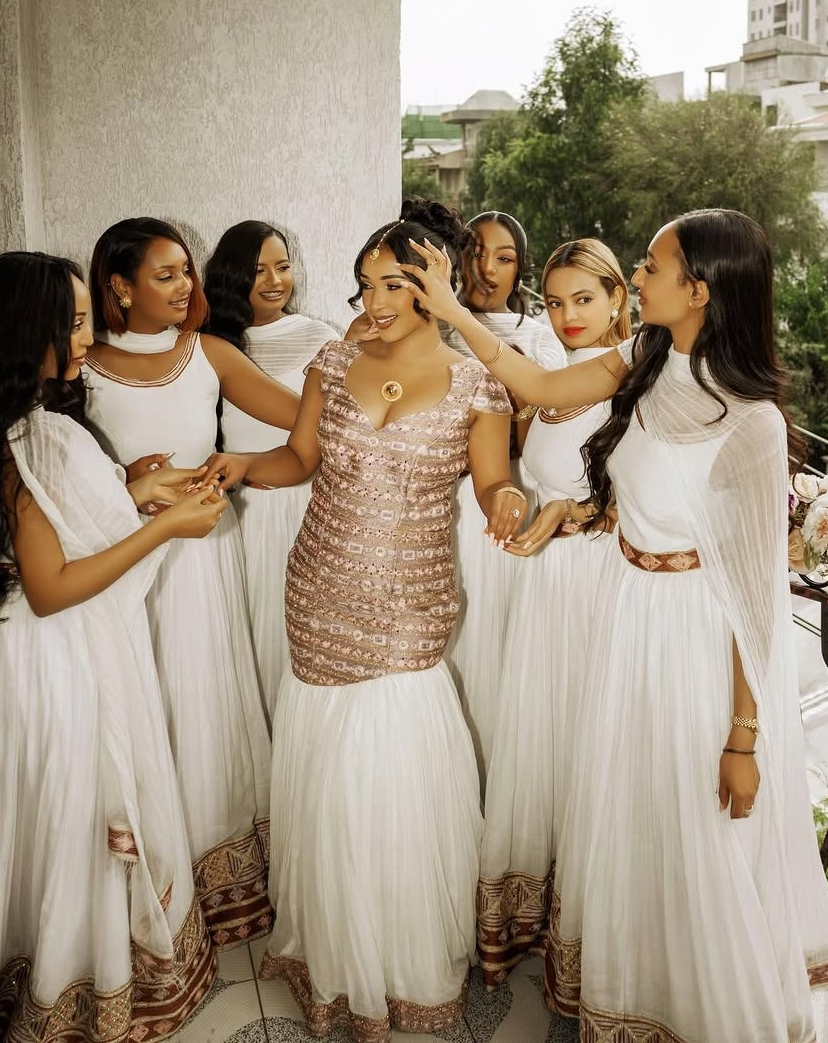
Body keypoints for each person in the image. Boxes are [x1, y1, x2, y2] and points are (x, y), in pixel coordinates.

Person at [401, 210, 828, 1042]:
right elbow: (538, 390)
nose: (635, 278)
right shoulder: (646, 359)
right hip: (626, 619)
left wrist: (743, 737)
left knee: (690, 832)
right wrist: (580, 511)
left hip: (692, 644)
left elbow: (754, 600)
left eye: (650, 266)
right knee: (630, 818)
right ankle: (636, 995)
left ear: (700, 290)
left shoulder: (751, 423)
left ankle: (704, 1011)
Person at [199, 200, 520, 1042]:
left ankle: (404, 962)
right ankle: (334, 955)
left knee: (399, 773)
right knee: (329, 773)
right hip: (319, 588)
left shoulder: (478, 381)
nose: (373, 302)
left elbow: (490, 483)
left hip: (411, 601)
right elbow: (299, 458)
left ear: (434, 286)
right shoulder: (331, 361)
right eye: (366, 284)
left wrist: (510, 498)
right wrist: (240, 467)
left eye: (395, 285)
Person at [0, 252, 223, 1035]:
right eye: (73, 323)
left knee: (30, 823)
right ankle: (70, 991)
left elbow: (38, 536)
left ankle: (28, 981)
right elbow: (54, 583)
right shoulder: (43, 435)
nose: (89, 337)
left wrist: (135, 492)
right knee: (68, 828)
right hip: (50, 654)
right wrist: (165, 524)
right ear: (26, 334)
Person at [85, 217, 295, 946]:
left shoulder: (208, 353)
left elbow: (304, 419)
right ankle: (155, 875)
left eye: (187, 273)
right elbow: (57, 479)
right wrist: (123, 479)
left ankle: (222, 882)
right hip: (125, 560)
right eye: (165, 274)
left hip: (205, 554)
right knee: (146, 706)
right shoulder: (82, 367)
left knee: (207, 705)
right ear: (119, 285)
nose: (185, 288)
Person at [476, 238, 631, 987]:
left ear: (616, 300)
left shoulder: (634, 370)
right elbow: (519, 462)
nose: (570, 316)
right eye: (558, 301)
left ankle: (598, 932)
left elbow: (642, 496)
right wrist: (511, 497)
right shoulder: (558, 375)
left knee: (587, 750)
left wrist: (589, 516)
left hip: (598, 586)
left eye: (586, 300)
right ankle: (542, 920)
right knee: (542, 743)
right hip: (543, 584)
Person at [445, 210, 566, 786]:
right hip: (448, 497)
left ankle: (506, 778)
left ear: (521, 267)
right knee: (460, 629)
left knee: (508, 636)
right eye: (475, 251)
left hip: (515, 494)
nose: (486, 268)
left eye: (504, 257)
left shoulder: (541, 336)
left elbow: (557, 417)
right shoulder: (437, 328)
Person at [203, 221, 337, 725]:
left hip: (308, 504)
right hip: (241, 511)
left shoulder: (321, 338)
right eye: (258, 270)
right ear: (232, 276)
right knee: (251, 635)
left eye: (282, 266)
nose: (275, 280)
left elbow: (338, 425)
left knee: (304, 631)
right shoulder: (209, 344)